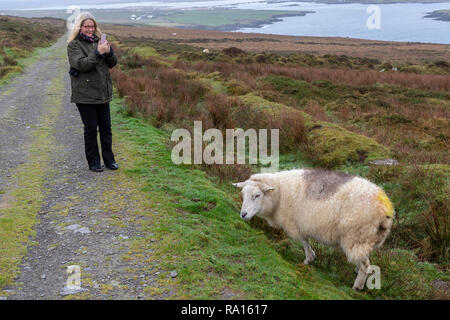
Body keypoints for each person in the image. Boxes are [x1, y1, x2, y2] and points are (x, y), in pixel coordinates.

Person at [67, 12, 119, 172]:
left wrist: (109, 52)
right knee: (90, 129)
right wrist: (98, 53)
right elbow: (81, 65)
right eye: (87, 26)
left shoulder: (99, 41)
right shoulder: (73, 45)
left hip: (103, 93)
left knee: (106, 128)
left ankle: (109, 160)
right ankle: (94, 162)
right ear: (80, 27)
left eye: (92, 26)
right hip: (85, 95)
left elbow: (112, 63)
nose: (90, 29)